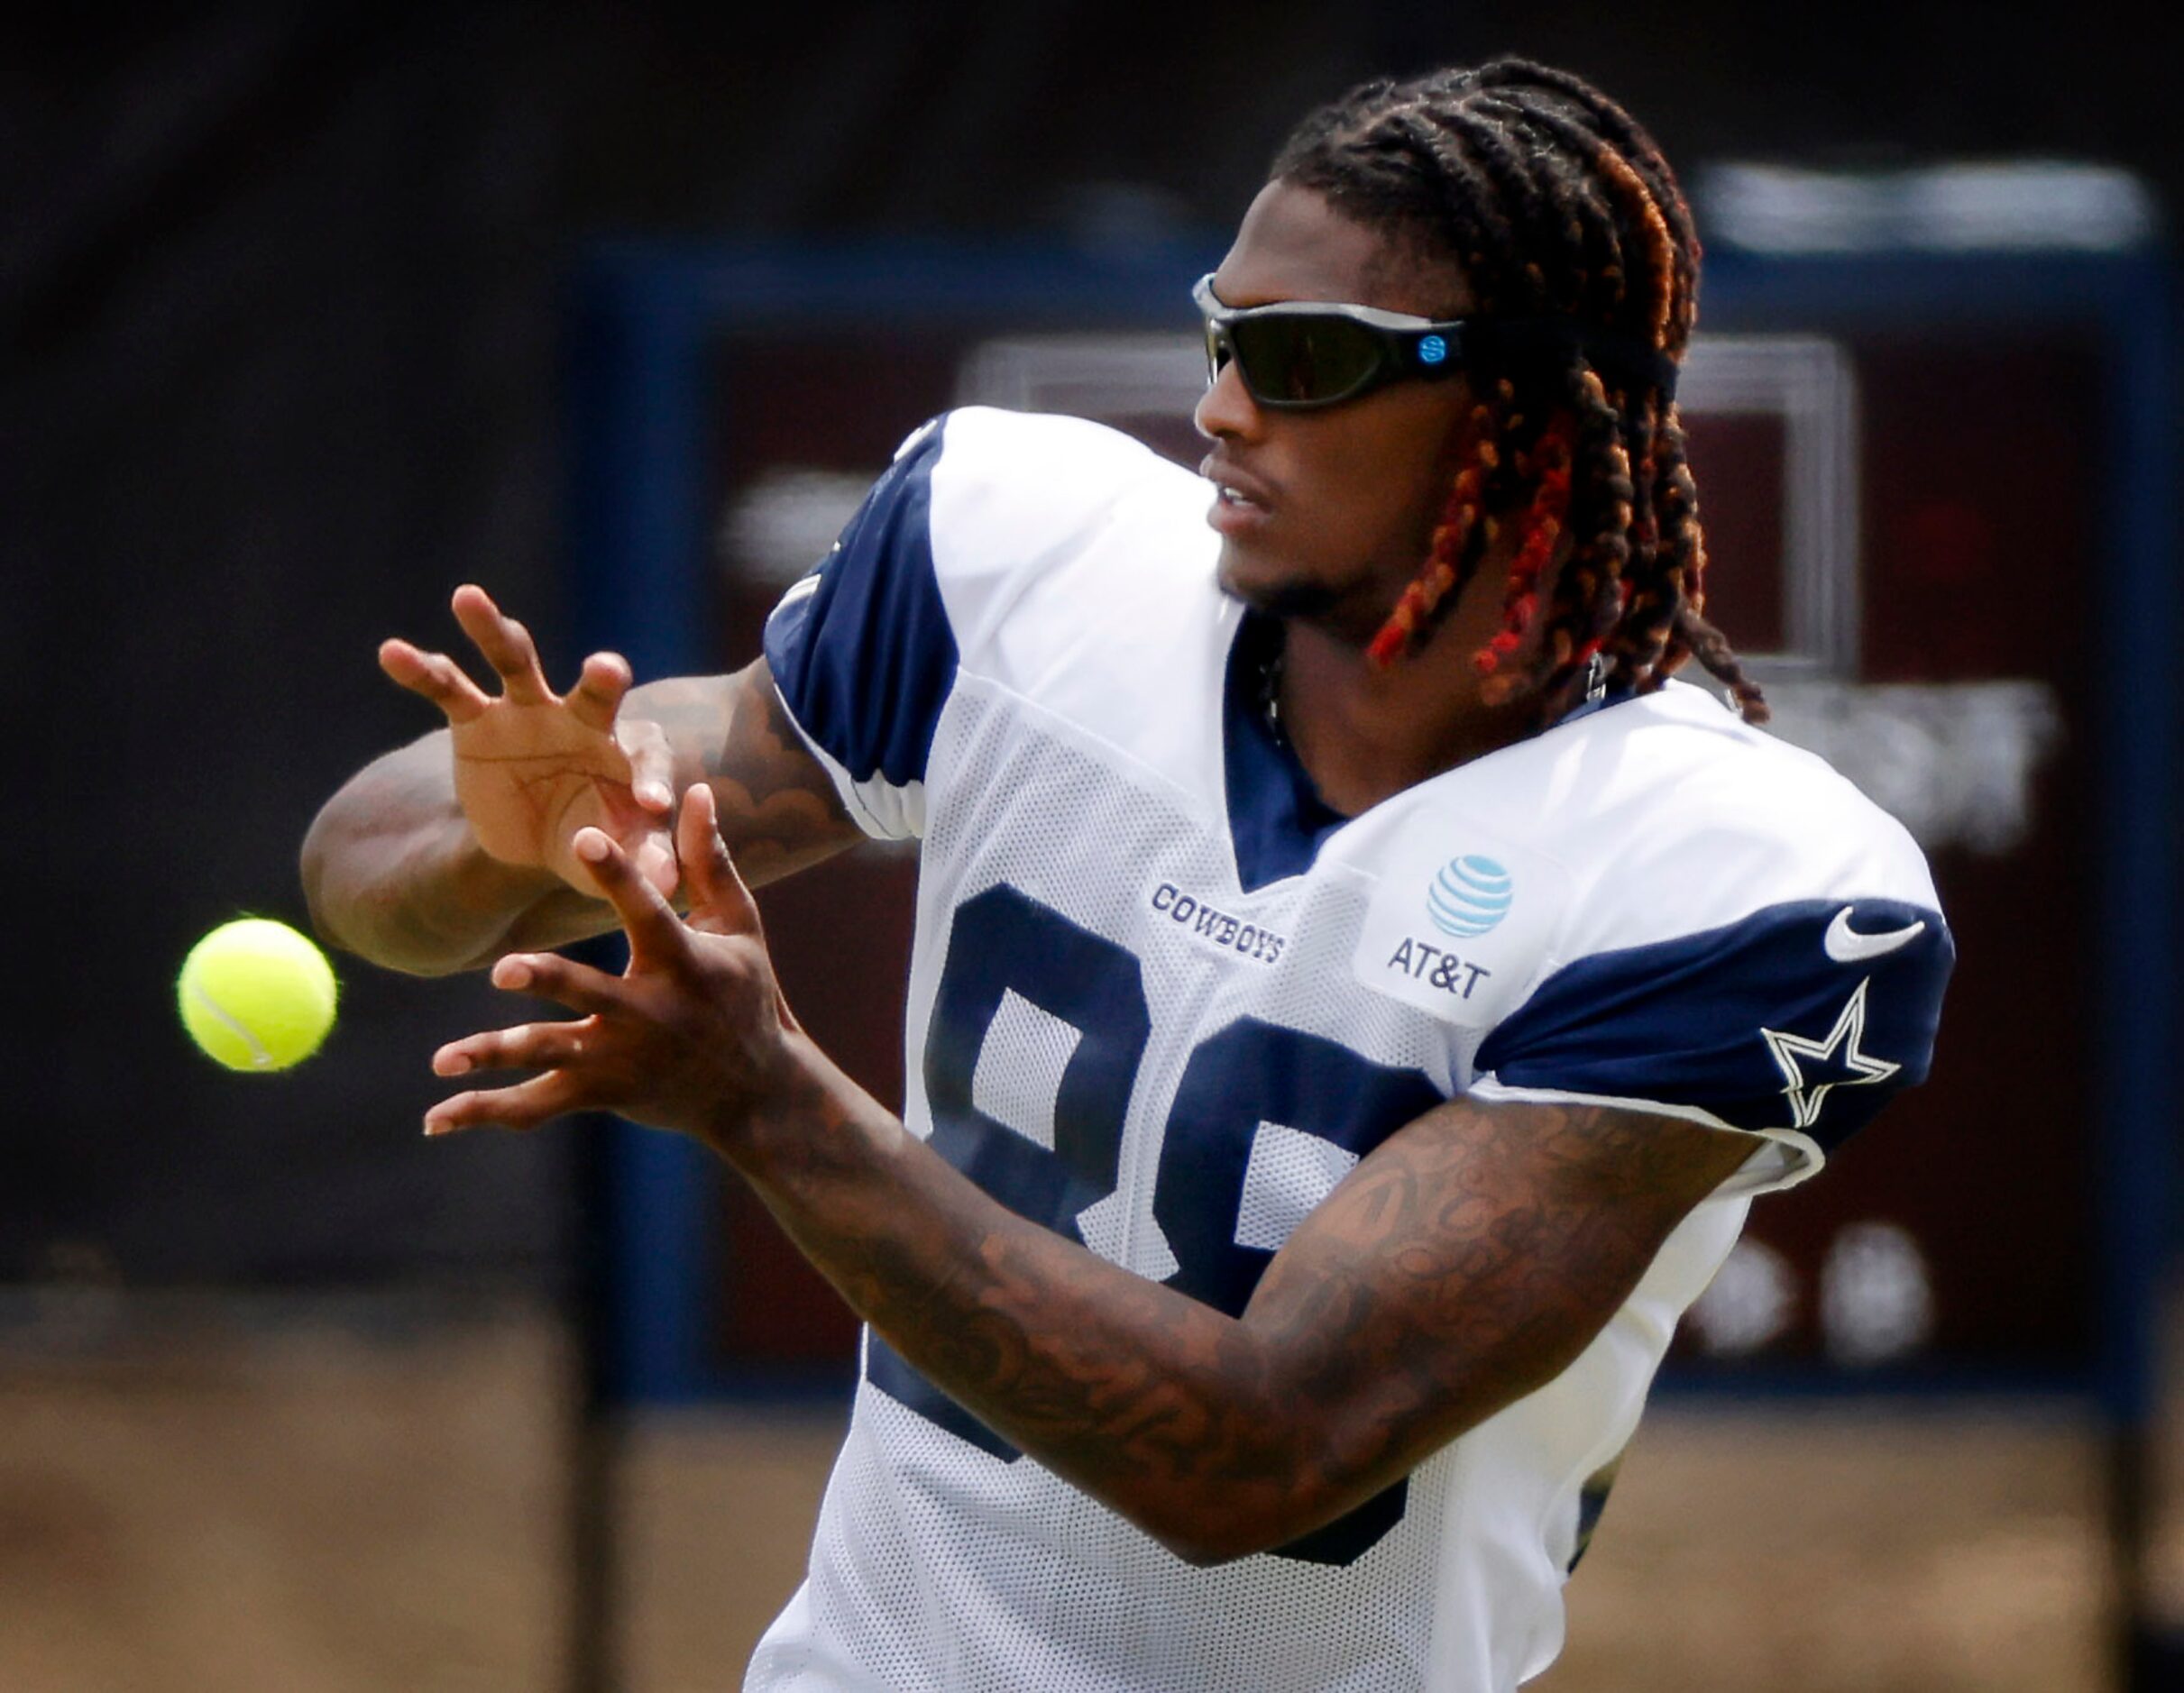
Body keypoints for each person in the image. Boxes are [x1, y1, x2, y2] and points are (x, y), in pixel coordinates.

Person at [302, 57, 1953, 1693]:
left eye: (1302, 358)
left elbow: (1256, 1454)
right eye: (1221, 334)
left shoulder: (1732, 885)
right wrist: (499, 835)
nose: (1222, 404)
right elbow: (359, 867)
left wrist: (768, 1102)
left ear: (1521, 417)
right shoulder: (1026, 558)